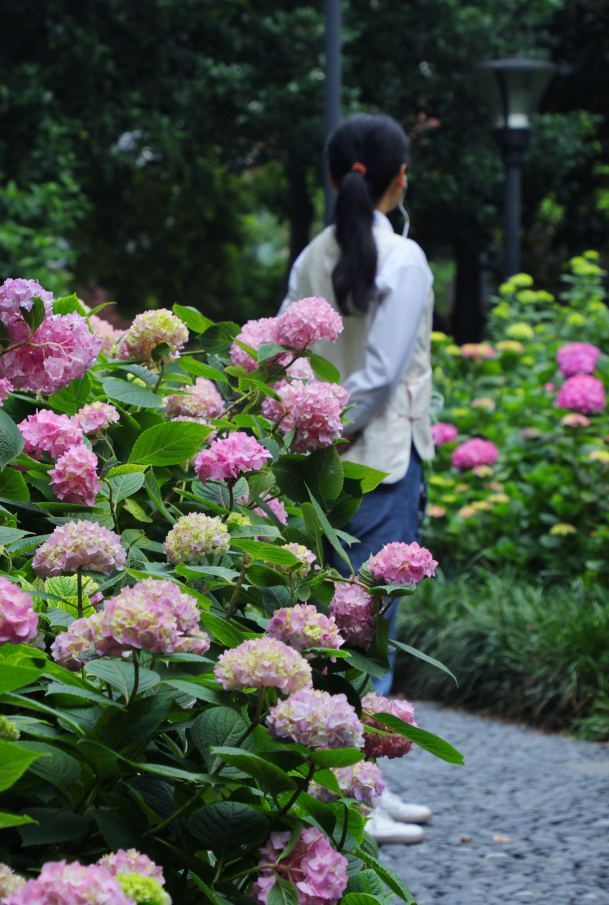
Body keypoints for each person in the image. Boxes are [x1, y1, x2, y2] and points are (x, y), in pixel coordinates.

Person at [279, 112, 435, 845]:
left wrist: (305, 434)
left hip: (318, 463)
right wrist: (334, 430)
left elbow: (283, 352)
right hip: (381, 458)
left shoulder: (313, 254)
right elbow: (379, 377)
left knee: (331, 622)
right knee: (368, 629)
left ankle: (360, 783)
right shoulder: (403, 258)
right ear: (397, 178)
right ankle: (356, 796)